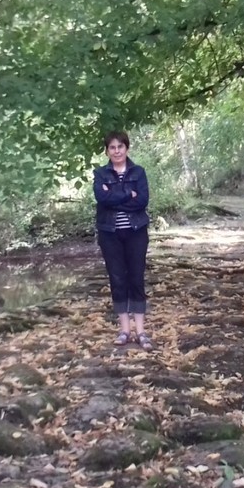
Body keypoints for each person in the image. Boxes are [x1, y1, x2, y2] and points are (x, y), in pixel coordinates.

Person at [93, 130, 153, 350]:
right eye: (112, 147)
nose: (117, 151)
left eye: (120, 146)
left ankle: (141, 331)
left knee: (136, 278)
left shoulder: (139, 172)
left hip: (136, 232)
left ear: (127, 148)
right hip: (109, 233)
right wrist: (128, 194)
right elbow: (102, 198)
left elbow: (142, 201)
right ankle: (124, 330)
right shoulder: (100, 174)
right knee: (117, 279)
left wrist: (114, 197)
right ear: (107, 151)